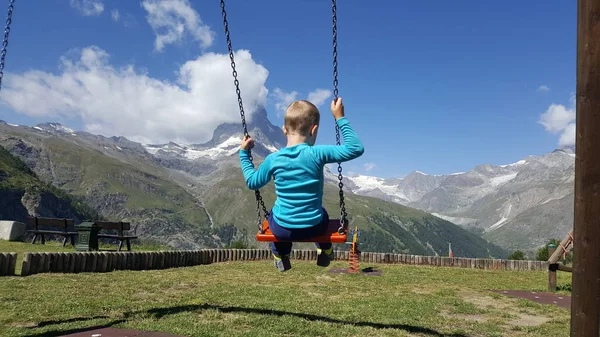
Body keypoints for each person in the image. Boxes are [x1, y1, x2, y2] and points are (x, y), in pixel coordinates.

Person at [239, 98, 364, 271]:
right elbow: (356, 148)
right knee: (323, 214)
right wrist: (339, 117)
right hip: (314, 227)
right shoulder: (317, 153)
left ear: (284, 130)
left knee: (273, 215)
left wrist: (244, 154)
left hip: (282, 229)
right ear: (314, 130)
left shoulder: (273, 160)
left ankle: (280, 255)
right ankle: (325, 249)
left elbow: (252, 182)